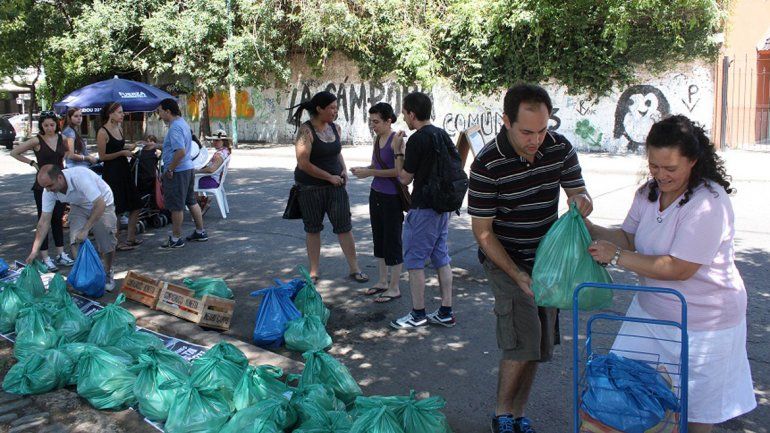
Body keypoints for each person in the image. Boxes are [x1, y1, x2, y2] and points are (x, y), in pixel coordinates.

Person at [586, 115, 756, 433]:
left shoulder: (709, 203)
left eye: (670, 169)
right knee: (619, 393)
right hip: (651, 313)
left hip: (704, 326)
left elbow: (678, 268)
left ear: (693, 161)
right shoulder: (648, 193)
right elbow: (629, 237)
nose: (660, 175)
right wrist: (589, 229)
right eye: (654, 166)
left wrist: (618, 257)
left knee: (694, 416)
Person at [467, 83, 592, 433]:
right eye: (526, 132)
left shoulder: (560, 148)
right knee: (522, 338)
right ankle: (502, 415)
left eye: (542, 130)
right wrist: (517, 275)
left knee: (538, 344)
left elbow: (580, 194)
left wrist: (581, 204)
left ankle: (519, 415)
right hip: (504, 259)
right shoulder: (487, 164)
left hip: (547, 261)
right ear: (506, 121)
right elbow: (483, 233)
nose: (535, 139)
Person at [389, 91, 456, 329]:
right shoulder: (442, 134)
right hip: (442, 208)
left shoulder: (418, 139)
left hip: (423, 207)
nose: (404, 118)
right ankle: (446, 310)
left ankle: (418, 313)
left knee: (414, 260)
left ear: (412, 113)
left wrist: (398, 150)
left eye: (405, 113)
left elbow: (404, 179)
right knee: (441, 257)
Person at [290, 91, 368, 284]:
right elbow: (303, 163)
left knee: (344, 227)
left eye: (336, 107)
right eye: (332, 107)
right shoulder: (305, 131)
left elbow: (336, 153)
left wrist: (342, 170)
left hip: (336, 186)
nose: (335, 111)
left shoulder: (335, 128)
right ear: (319, 109)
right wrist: (329, 177)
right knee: (313, 229)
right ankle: (314, 272)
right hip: (310, 188)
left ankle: (354, 269)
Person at [27, 165, 118, 291]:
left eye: (50, 186)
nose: (48, 190)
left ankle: (108, 272)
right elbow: (44, 221)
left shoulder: (80, 177)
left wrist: (86, 229)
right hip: (78, 205)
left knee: (106, 244)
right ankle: (85, 276)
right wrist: (34, 251)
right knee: (75, 241)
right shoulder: (47, 191)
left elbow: (100, 204)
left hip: (103, 204)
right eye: (45, 187)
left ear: (59, 178)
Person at [351, 103, 405, 302]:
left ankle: (394, 286)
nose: (373, 125)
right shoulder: (378, 138)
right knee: (379, 238)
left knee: (393, 240)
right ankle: (382, 281)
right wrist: (364, 170)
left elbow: (399, 172)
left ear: (388, 121)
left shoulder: (396, 140)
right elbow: (375, 165)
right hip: (376, 193)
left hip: (392, 197)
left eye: (376, 121)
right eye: (371, 121)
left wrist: (370, 172)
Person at [10, 111, 75, 272]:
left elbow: (68, 152)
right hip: (43, 184)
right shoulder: (36, 140)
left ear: (56, 124)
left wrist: (64, 162)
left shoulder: (62, 138)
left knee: (58, 218)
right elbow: (14, 152)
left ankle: (61, 253)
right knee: (44, 219)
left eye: (52, 125)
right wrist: (32, 162)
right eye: (45, 125)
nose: (49, 128)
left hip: (60, 183)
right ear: (41, 126)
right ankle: (45, 257)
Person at [155, 98, 207, 248]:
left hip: (178, 171)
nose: (159, 114)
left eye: (160, 111)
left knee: (176, 206)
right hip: (187, 168)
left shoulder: (175, 128)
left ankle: (176, 238)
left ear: (168, 111)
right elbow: (177, 146)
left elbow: (180, 151)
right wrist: (157, 145)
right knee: (191, 201)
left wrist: (170, 168)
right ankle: (200, 231)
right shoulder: (182, 123)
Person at [96, 102, 143, 251]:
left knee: (136, 204)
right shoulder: (102, 132)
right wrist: (122, 153)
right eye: (119, 112)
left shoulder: (119, 128)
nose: (122, 115)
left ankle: (130, 238)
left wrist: (132, 146)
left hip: (124, 169)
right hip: (112, 172)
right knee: (117, 208)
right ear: (110, 114)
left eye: (122, 112)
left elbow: (120, 146)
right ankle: (114, 243)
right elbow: (102, 156)